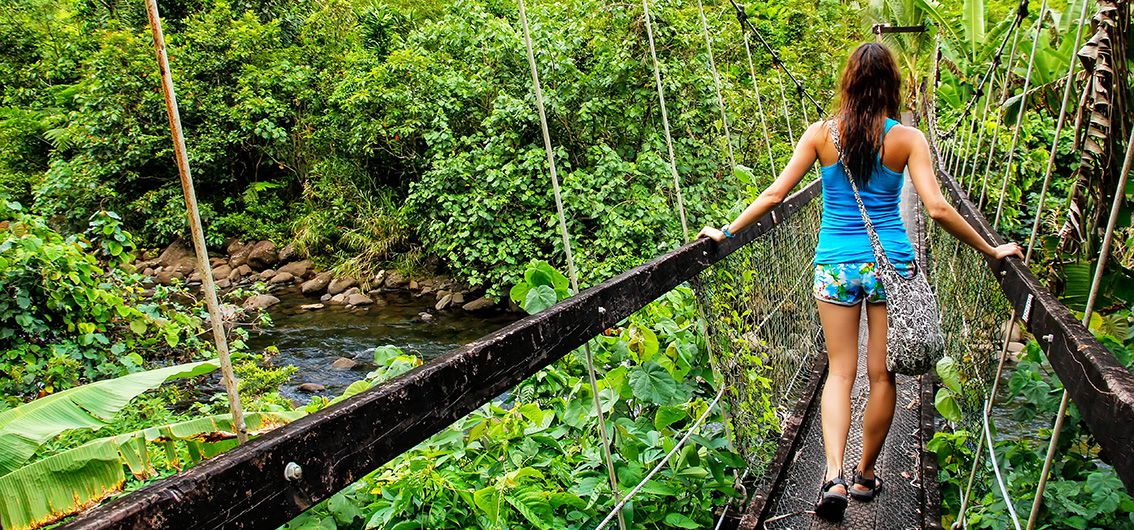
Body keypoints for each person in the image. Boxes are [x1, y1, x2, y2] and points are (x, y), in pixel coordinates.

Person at [697, 42, 1023, 521]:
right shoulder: (909, 139)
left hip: (836, 267)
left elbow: (773, 194)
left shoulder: (821, 134)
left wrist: (725, 231)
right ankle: (866, 474)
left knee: (839, 373)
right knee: (881, 374)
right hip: (892, 265)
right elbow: (936, 207)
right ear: (892, 86)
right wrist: (992, 249)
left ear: (848, 83)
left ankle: (832, 477)